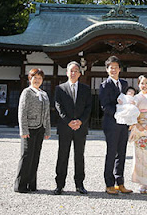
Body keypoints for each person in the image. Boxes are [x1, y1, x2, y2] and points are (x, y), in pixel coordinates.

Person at [54, 61, 92, 195]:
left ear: (80, 73)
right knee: (62, 155)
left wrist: (80, 121)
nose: (73, 73)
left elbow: (88, 107)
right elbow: (58, 107)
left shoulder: (86, 89)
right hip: (65, 127)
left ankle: (79, 184)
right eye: (71, 70)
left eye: (76, 70)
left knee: (79, 156)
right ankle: (59, 184)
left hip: (81, 128)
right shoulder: (60, 88)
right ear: (67, 73)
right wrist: (69, 121)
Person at [98, 55, 133, 195]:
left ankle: (120, 182)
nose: (113, 70)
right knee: (111, 153)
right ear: (107, 70)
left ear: (120, 69)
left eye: (116, 67)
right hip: (111, 122)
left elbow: (129, 100)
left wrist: (129, 114)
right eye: (111, 68)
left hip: (124, 123)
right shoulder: (104, 85)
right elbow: (105, 106)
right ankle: (109, 183)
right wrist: (120, 112)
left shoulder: (124, 84)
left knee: (122, 153)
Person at [14, 68, 51, 193]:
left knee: (35, 156)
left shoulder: (44, 94)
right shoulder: (27, 92)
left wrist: (47, 130)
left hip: (40, 128)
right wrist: (23, 130)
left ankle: (32, 184)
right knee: (26, 156)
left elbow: (47, 114)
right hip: (29, 128)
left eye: (40, 78)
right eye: (35, 77)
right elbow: (22, 112)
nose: (37, 80)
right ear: (30, 79)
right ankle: (20, 185)